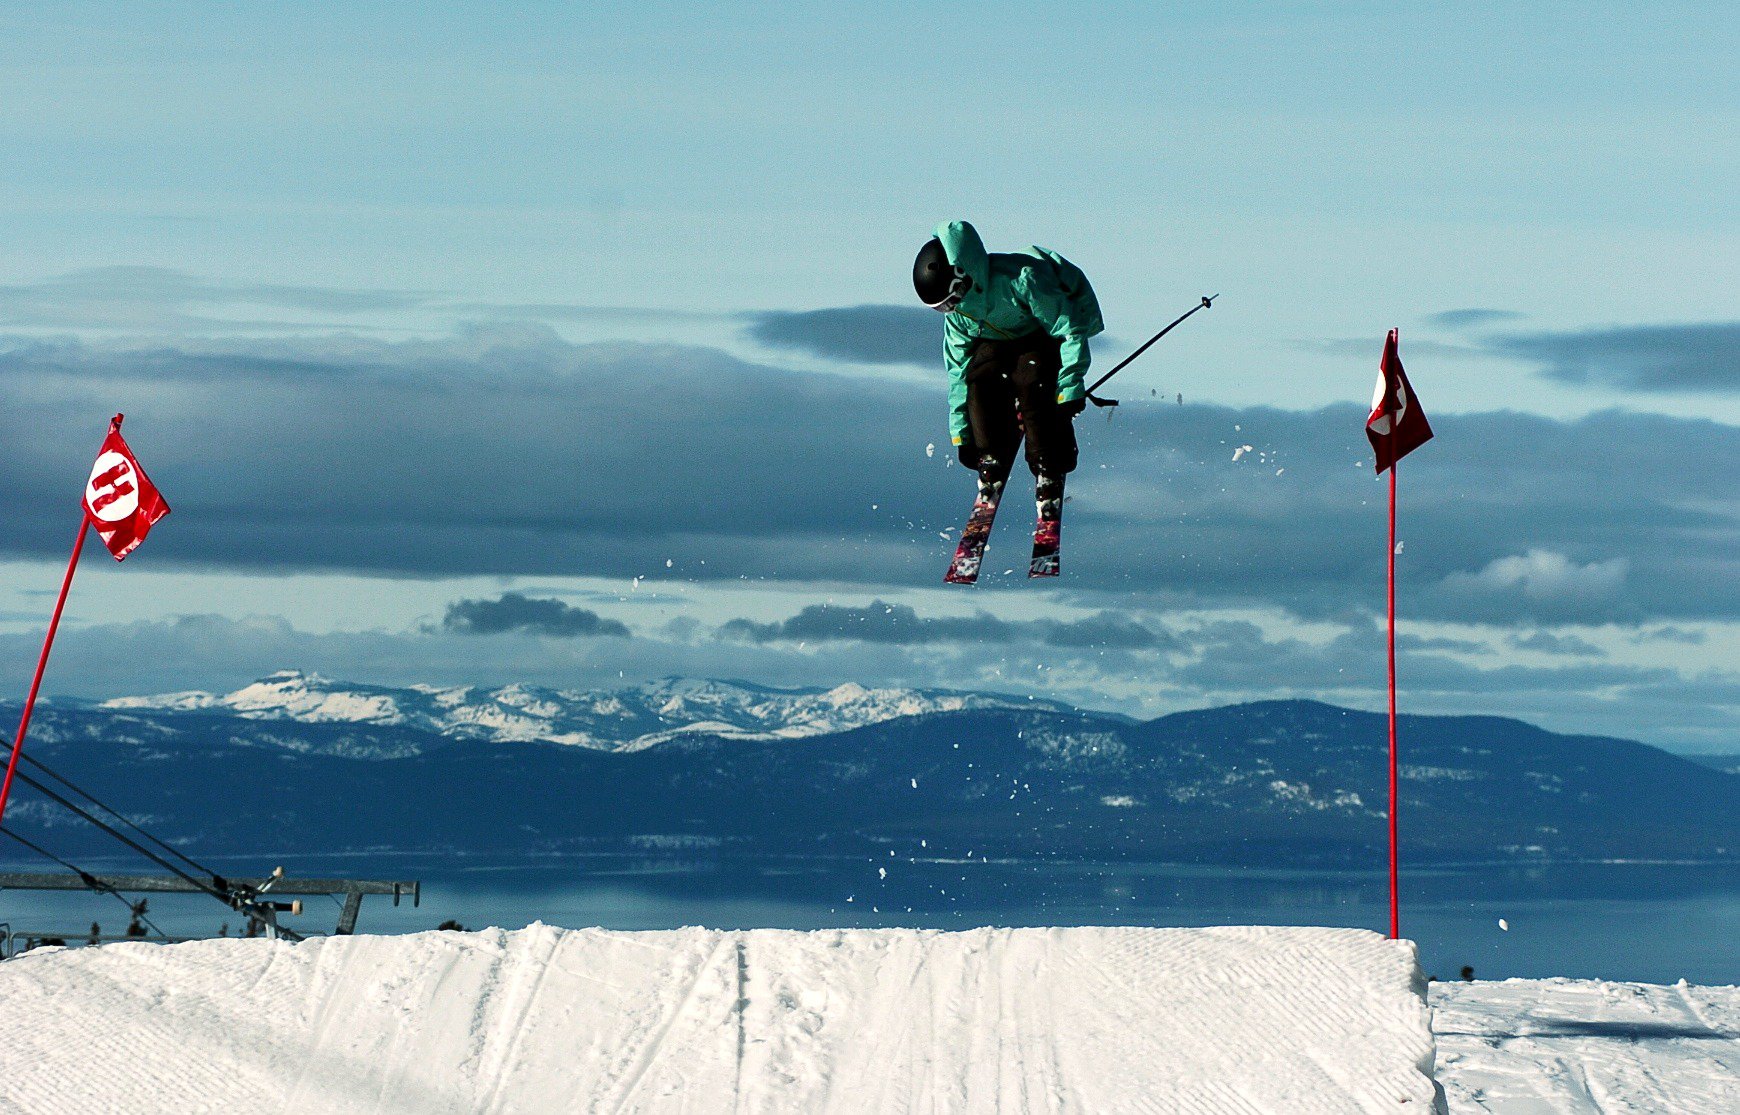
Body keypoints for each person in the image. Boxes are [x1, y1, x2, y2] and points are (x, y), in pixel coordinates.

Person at [912, 220, 1104, 528]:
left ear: (963, 278)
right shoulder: (959, 315)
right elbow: (958, 372)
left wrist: (1069, 387)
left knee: (1032, 380)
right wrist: (963, 434)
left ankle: (1047, 466)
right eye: (941, 308)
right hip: (999, 343)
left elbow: (1069, 329)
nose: (950, 310)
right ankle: (991, 457)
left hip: (1042, 335)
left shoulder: (1022, 279)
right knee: (980, 379)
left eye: (949, 300)